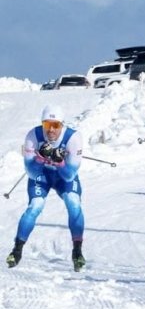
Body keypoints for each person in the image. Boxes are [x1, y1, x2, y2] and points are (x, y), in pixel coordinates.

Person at [7, 105, 86, 271]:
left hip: (62, 177)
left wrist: (60, 162)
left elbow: (69, 176)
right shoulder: (33, 135)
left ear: (62, 125)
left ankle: (77, 250)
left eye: (55, 125)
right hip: (42, 176)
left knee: (74, 203)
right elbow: (30, 171)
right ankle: (17, 249)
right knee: (35, 206)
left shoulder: (73, 138)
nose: (51, 130)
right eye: (47, 125)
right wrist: (40, 159)